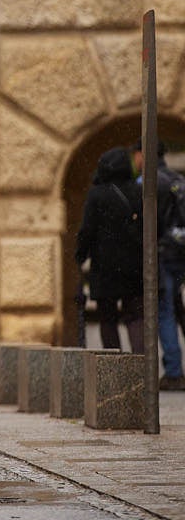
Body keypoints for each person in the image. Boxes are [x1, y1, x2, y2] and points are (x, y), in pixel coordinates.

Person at [75, 147, 144, 353]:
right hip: (134, 265)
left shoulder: (97, 194)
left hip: (106, 267)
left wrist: (81, 253)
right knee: (135, 317)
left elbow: (87, 228)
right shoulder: (137, 191)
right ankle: (141, 364)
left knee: (108, 318)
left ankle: (114, 367)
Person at [132, 139, 185, 390]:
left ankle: (174, 371)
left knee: (164, 311)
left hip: (161, 255)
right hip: (180, 253)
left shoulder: (146, 183)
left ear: (143, 154)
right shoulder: (178, 180)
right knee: (178, 308)